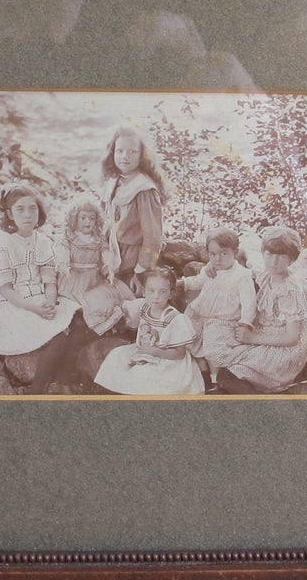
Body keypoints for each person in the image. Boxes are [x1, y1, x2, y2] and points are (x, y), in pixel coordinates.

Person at [0, 185, 81, 370]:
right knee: (57, 338)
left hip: (40, 298)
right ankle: (39, 388)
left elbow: (49, 282)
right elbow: (5, 289)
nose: (27, 215)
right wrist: (35, 308)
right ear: (10, 214)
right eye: (20, 209)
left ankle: (58, 382)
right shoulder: (3, 241)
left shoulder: (43, 242)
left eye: (33, 209)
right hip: (15, 304)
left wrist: (49, 302)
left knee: (78, 322)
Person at [212, 226, 307, 392]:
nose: (274, 261)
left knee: (228, 375)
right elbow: (247, 249)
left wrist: (253, 338)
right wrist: (213, 265)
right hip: (266, 334)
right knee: (220, 352)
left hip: (284, 349)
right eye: (269, 254)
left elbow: (292, 337)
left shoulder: (290, 289)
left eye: (282, 257)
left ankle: (258, 404)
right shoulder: (267, 274)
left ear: (292, 260)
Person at [93, 266, 205, 395]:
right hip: (145, 350)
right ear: (144, 291)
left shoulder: (175, 319)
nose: (156, 296)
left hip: (168, 358)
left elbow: (179, 353)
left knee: (148, 375)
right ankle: (112, 390)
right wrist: (111, 305)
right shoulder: (143, 306)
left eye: (162, 292)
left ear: (171, 293)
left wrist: (155, 351)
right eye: (151, 291)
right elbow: (124, 306)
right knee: (116, 355)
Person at [179, 228, 258, 377]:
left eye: (223, 253)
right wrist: (182, 284)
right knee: (185, 336)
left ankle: (215, 378)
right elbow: (198, 282)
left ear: (235, 252)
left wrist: (245, 323)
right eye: (213, 254)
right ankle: (201, 365)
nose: (217, 259)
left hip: (223, 320)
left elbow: (249, 303)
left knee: (212, 346)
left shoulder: (241, 276)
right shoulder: (211, 269)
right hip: (201, 314)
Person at [99, 125, 165, 295]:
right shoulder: (113, 183)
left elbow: (153, 238)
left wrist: (140, 273)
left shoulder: (144, 190)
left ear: (142, 155)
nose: (124, 157)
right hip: (111, 259)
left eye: (132, 152)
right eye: (119, 151)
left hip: (132, 265)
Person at [60, 194, 130, 335]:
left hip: (94, 278)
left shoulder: (97, 239)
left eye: (92, 219)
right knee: (88, 302)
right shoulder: (70, 237)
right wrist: (64, 264)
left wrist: (109, 267)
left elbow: (105, 254)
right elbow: (62, 251)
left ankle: (116, 325)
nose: (88, 222)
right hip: (75, 279)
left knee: (113, 292)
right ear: (75, 219)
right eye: (83, 218)